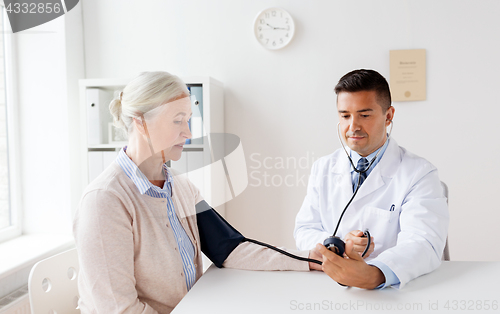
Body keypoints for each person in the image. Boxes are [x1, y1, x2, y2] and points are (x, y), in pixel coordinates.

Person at [73, 71, 321, 314]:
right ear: (141, 121)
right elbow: (119, 309)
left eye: (188, 119)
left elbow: (230, 249)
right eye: (177, 120)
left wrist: (309, 259)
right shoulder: (105, 201)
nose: (189, 133)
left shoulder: (180, 187)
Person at [294, 69, 449, 289]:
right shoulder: (323, 168)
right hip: (329, 288)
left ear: (388, 116)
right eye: (345, 115)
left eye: (364, 115)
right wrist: (338, 243)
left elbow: (423, 242)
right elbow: (304, 230)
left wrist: (374, 274)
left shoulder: (420, 173)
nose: (353, 126)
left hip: (395, 292)